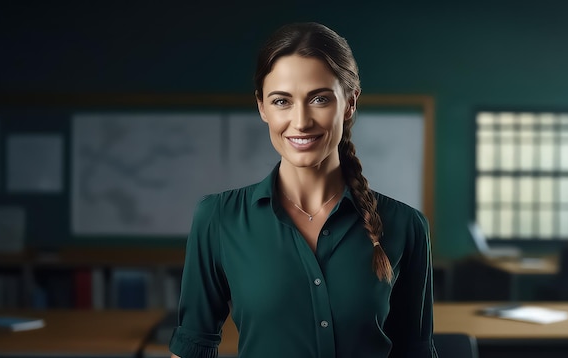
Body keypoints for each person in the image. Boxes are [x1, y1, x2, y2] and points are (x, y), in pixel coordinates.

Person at [169, 22, 437, 358]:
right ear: (262, 107)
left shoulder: (407, 227)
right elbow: (193, 346)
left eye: (320, 99)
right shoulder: (218, 219)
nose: (301, 121)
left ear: (350, 103)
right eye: (281, 101)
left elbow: (416, 351)